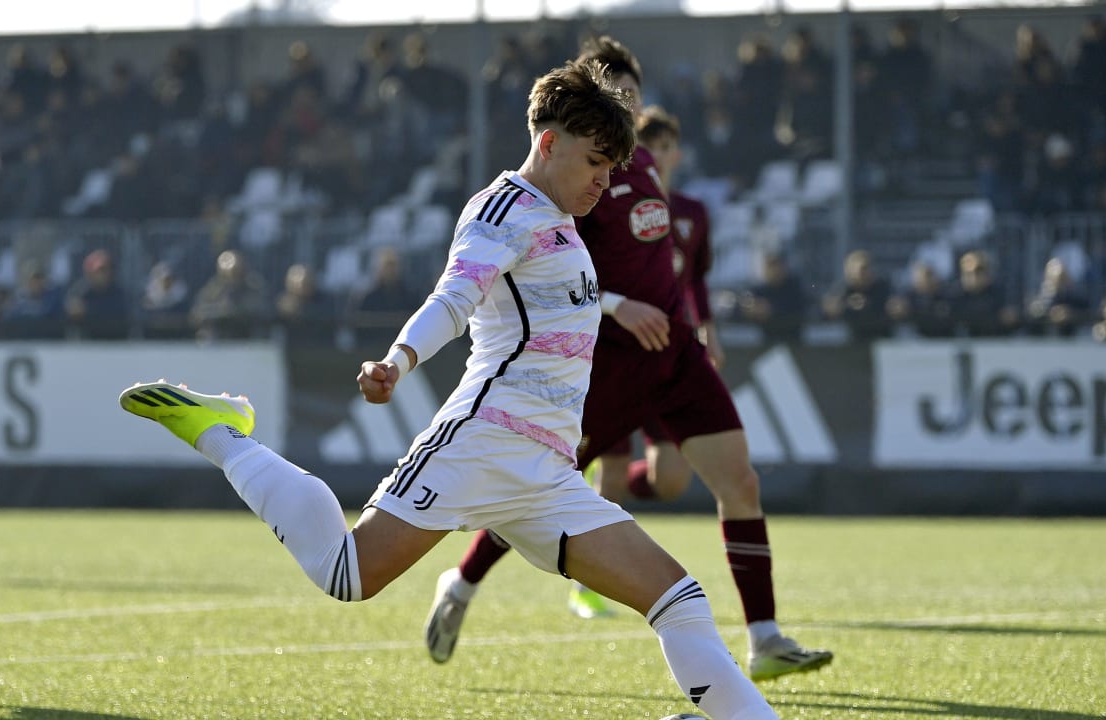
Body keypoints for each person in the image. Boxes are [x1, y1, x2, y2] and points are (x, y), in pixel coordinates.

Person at [119, 60, 782, 720]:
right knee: (347, 574)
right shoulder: (503, 208)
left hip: (547, 470)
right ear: (548, 144)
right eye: (595, 163)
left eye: (613, 168)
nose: (604, 181)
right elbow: (454, 297)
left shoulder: (562, 219)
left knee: (679, 599)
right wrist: (399, 360)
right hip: (483, 441)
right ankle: (221, 434)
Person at [427, 36, 833, 683]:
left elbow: (665, 262)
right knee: (540, 494)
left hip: (674, 355)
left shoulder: (641, 165)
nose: (625, 107)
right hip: (603, 363)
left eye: (631, 96)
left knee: (740, 481)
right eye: (612, 96)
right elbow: (555, 269)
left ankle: (763, 636)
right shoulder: (578, 182)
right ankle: (463, 582)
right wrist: (618, 307)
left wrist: (694, 323)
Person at [570, 105, 720, 619]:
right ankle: (587, 583)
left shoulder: (693, 214)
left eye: (666, 142)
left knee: (672, 479)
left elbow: (693, 279)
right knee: (609, 468)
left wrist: (707, 327)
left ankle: (591, 491)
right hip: (615, 351)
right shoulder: (608, 199)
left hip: (669, 350)